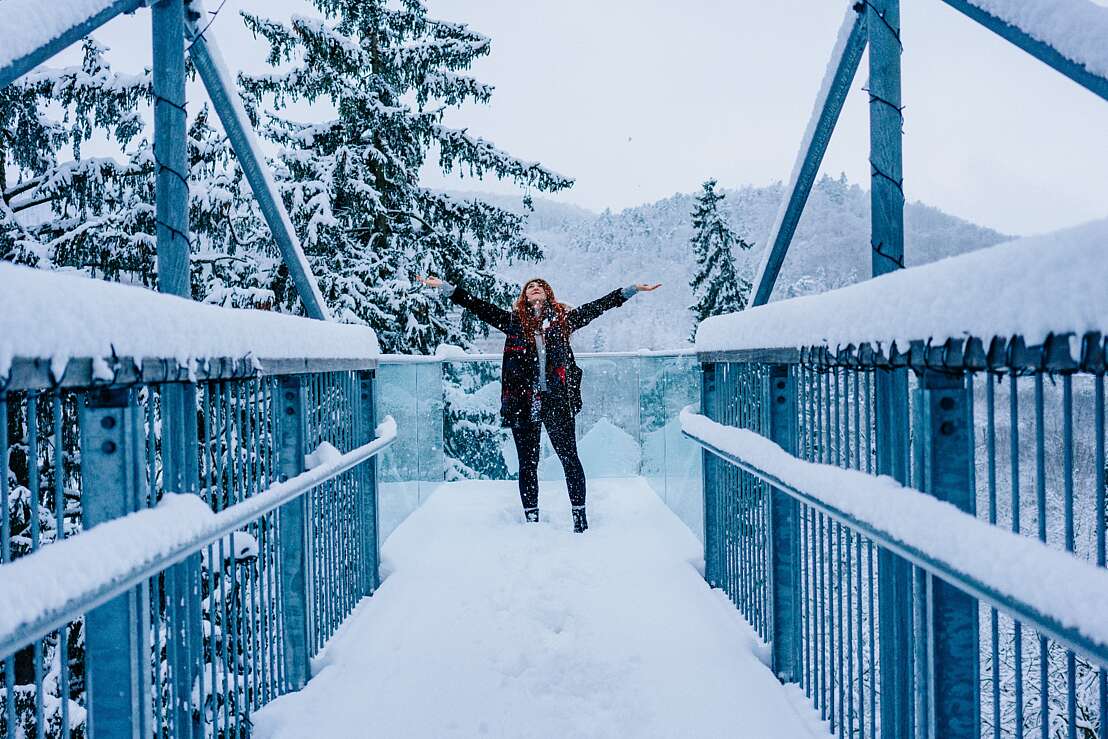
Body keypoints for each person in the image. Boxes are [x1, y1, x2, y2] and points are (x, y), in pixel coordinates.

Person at [418, 276, 661, 532]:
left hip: (556, 400)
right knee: (528, 464)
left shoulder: (562, 320)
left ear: (548, 295)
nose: (535, 288)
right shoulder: (512, 322)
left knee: (570, 459)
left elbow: (597, 307)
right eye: (529, 287)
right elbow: (476, 305)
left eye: (540, 286)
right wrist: (445, 288)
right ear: (524, 297)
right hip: (522, 401)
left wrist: (631, 290)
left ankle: (580, 520)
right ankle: (531, 521)